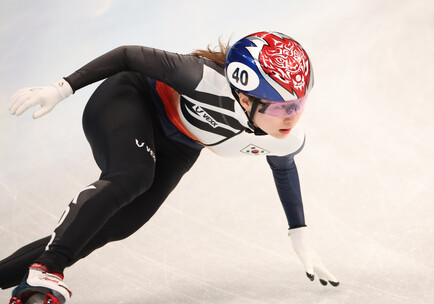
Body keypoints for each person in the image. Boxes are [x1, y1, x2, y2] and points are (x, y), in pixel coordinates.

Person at [2, 31, 339, 304]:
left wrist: (300, 234)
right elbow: (126, 54)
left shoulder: (285, 138)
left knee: (122, 223)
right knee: (132, 176)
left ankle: (15, 272)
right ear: (247, 98)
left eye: (299, 103)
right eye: (282, 107)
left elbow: (284, 171)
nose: (293, 117)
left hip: (180, 144)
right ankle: (46, 269)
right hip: (130, 99)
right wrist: (62, 89)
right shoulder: (201, 78)